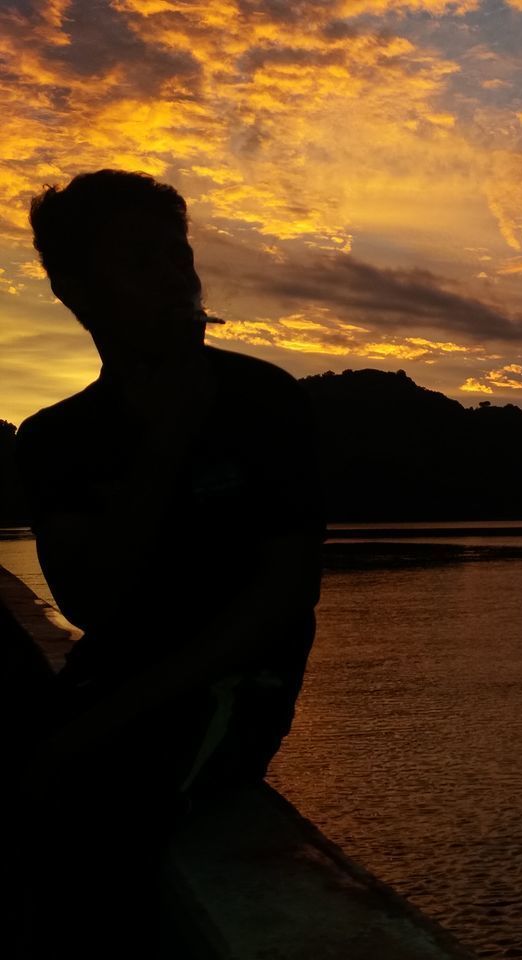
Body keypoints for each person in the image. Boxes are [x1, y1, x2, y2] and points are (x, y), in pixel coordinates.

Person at [10, 169, 325, 955]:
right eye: (141, 262)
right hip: (118, 682)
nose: (177, 281)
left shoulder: (266, 403)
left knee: (92, 822)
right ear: (76, 292)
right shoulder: (56, 439)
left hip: (232, 690)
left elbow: (282, 599)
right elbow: (90, 604)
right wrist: (162, 447)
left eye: (179, 257)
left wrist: (88, 730)